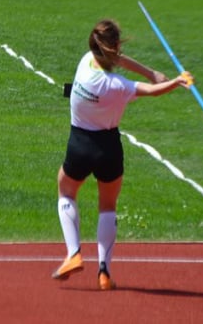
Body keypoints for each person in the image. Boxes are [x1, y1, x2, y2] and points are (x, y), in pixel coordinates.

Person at [52, 19, 191, 291]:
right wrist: (176, 81)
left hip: (79, 143)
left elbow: (118, 59)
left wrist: (151, 72)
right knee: (107, 206)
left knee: (66, 191)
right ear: (114, 47)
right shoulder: (118, 86)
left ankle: (73, 253)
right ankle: (104, 271)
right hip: (109, 148)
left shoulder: (85, 63)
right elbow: (152, 91)